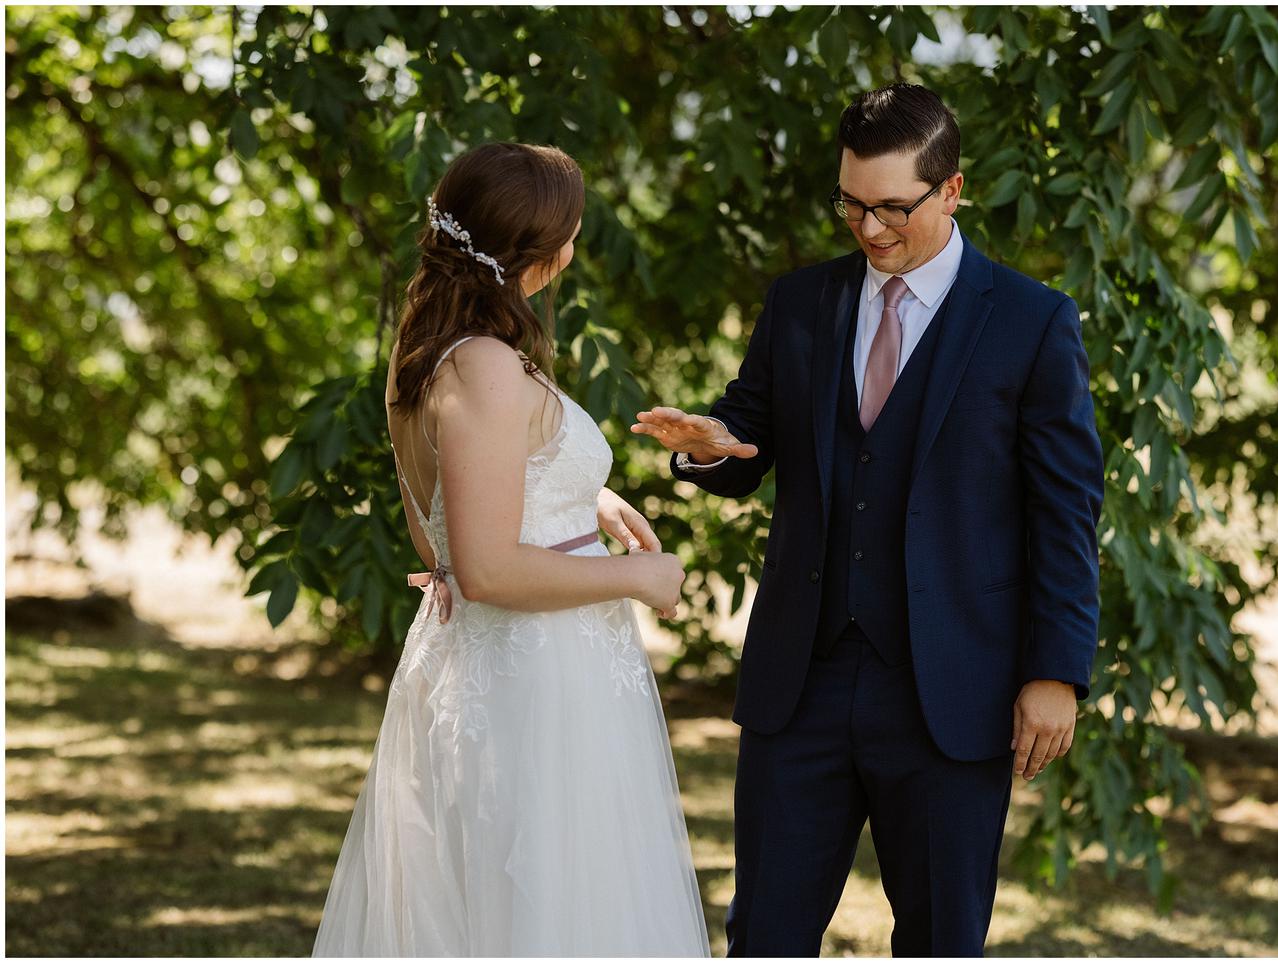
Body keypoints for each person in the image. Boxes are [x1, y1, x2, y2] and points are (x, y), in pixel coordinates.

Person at [631, 83, 1104, 956]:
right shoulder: (801, 303)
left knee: (938, 938)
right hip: (799, 681)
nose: (870, 228)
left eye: (893, 206)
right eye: (851, 204)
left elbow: (1065, 509)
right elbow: (749, 437)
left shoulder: (1034, 323)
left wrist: (1057, 671)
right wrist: (709, 444)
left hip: (954, 692)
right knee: (764, 933)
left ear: (951, 190)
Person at [312, 142, 710, 956]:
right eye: (568, 233)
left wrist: (581, 497)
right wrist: (644, 573)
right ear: (539, 254)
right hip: (533, 678)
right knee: (542, 909)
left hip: (491, 664)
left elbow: (447, 523)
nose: (573, 248)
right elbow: (485, 567)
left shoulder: (426, 350)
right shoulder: (487, 367)